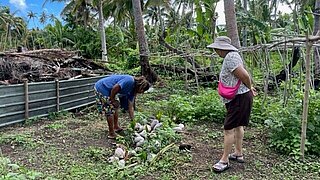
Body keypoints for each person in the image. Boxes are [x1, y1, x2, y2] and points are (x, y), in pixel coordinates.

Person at [207, 36, 257, 172]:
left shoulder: (231, 57)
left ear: (222, 48)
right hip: (239, 97)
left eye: (217, 48)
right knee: (237, 125)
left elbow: (244, 75)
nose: (216, 51)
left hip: (239, 98)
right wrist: (249, 88)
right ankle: (238, 153)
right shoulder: (231, 56)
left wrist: (250, 87)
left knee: (228, 128)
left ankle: (224, 160)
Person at [94, 75, 151, 139]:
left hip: (111, 90)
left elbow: (130, 107)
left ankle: (115, 127)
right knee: (109, 109)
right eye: (143, 90)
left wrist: (133, 122)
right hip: (103, 87)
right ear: (141, 87)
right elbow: (115, 88)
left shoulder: (133, 91)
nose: (142, 93)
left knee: (116, 106)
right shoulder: (129, 81)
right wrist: (112, 100)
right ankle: (111, 133)